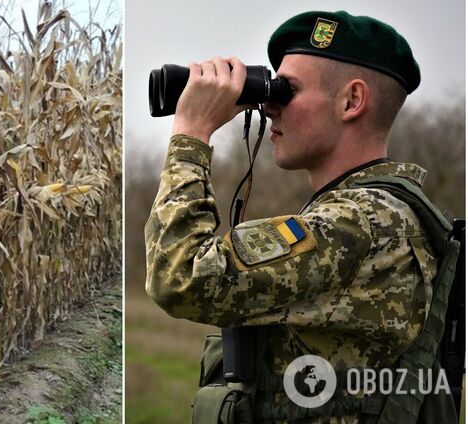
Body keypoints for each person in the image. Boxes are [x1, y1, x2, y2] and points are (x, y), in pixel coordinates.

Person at [144, 10, 458, 423]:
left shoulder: (361, 223)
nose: (270, 105)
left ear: (352, 101)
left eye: (286, 90)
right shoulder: (378, 214)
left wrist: (192, 133)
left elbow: (178, 276)